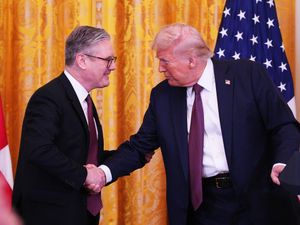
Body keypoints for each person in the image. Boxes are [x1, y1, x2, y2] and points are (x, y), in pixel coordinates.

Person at [94, 23, 300, 225]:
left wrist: (283, 162)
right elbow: (140, 147)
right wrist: (103, 173)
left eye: (165, 61)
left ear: (191, 60)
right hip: (202, 208)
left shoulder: (247, 75)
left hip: (258, 201)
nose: (160, 68)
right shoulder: (163, 96)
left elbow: (283, 126)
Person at [12, 26, 117, 225]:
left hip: (80, 212)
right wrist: (85, 175)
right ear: (82, 60)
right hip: (49, 215)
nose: (112, 67)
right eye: (108, 60)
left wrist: (132, 153)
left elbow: (83, 155)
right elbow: (39, 149)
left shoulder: (83, 99)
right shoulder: (48, 97)